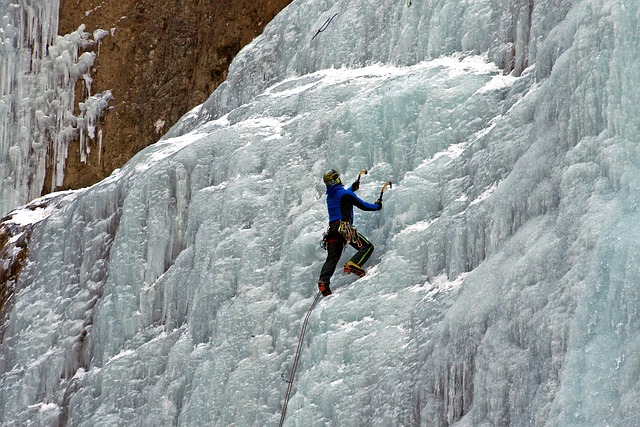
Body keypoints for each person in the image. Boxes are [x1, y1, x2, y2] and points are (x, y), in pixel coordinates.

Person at [317, 169, 382, 296]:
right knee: (367, 247)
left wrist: (352, 187)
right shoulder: (346, 194)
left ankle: (323, 281)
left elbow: (343, 196)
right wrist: (377, 206)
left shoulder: (330, 196)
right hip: (344, 230)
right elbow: (364, 206)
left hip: (332, 232)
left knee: (332, 258)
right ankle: (354, 263)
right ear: (337, 179)